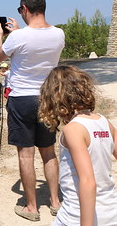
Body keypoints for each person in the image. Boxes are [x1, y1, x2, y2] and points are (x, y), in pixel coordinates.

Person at [0, 0, 65, 221]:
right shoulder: (59, 34)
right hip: (48, 98)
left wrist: (0, 35)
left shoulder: (18, 37)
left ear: (24, 8)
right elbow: (36, 48)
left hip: (22, 98)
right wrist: (18, 34)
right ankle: (55, 202)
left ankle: (32, 208)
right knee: (49, 152)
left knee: (26, 154)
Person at [39, 65, 117, 226]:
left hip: (77, 215)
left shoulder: (73, 129)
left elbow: (88, 181)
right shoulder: (104, 122)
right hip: (111, 212)